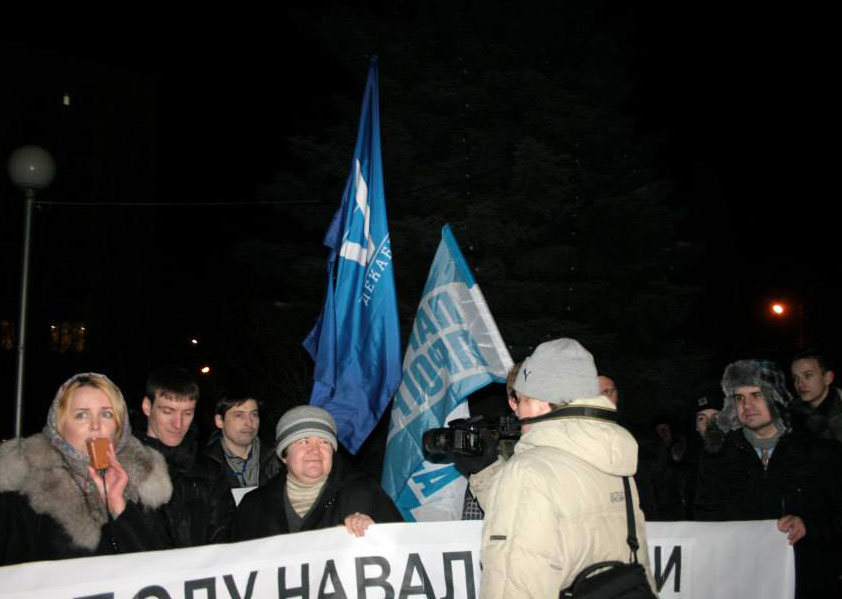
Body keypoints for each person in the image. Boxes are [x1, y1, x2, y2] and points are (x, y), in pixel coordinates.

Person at [477, 338, 656, 598]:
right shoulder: (617, 463)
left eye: (521, 398)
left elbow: (512, 587)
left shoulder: (527, 471)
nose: (516, 411)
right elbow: (642, 568)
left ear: (539, 400)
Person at [694, 359, 842, 597]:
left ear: (776, 397)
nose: (747, 405)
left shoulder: (819, 451)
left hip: (807, 580)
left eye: (756, 395)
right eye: (739, 398)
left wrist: (809, 526)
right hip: (744, 582)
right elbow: (706, 517)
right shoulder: (717, 458)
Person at [0, 373, 172, 565]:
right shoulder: (25, 485)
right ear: (61, 424)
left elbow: (158, 568)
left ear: (119, 426)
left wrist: (120, 508)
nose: (96, 426)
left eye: (106, 414)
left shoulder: (144, 482)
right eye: (81, 415)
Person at [233, 406, 402, 540]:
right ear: (284, 455)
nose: (315, 451)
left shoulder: (365, 493)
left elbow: (402, 546)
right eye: (304, 441)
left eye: (324, 442)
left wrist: (377, 530)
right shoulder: (253, 506)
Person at [137, 366, 235, 546]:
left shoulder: (210, 471)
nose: (178, 423)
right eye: (168, 411)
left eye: (187, 413)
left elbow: (225, 536)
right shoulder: (125, 471)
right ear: (147, 407)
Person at [205, 394, 281, 488]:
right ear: (220, 421)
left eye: (254, 414)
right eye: (239, 415)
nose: (249, 423)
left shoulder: (279, 460)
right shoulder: (201, 465)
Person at [790, 349, 842, 443]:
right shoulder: (790, 413)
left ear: (828, 378)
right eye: (795, 378)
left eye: (808, 375)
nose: (800, 384)